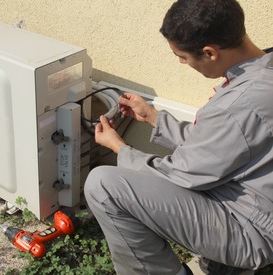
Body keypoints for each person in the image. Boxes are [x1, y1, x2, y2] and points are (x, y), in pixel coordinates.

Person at [84, 0, 273, 274]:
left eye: (182, 57)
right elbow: (218, 144)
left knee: (104, 186)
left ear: (209, 53)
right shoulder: (262, 71)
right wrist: (152, 116)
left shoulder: (239, 103)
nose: (183, 63)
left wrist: (119, 147)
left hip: (254, 228)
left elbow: (181, 173)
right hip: (256, 204)